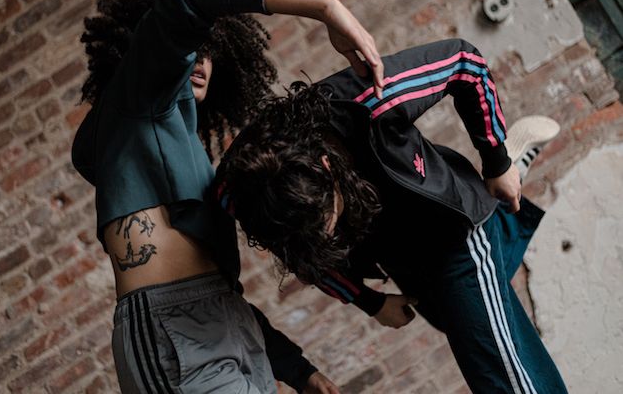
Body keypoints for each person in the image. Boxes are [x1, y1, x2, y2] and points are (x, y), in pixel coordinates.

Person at [71, 0, 384, 394]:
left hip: (231, 331)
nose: (201, 55)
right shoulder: (135, 100)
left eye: (210, 47)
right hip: (175, 335)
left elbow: (221, 293)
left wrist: (298, 371)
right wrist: (326, 7)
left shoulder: (187, 158)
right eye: (188, 43)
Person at [215, 39, 568, 393]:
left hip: (451, 234)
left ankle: (507, 174)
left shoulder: (369, 99)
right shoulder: (240, 193)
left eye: (326, 223)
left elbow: (465, 62)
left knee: (499, 375)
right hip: (396, 255)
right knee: (465, 319)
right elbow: (303, 255)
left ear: (326, 167)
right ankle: (507, 189)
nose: (325, 239)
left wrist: (495, 160)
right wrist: (370, 300)